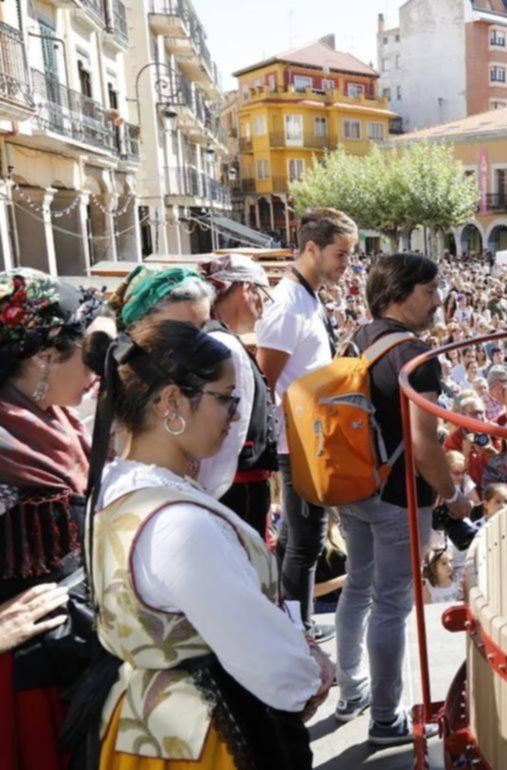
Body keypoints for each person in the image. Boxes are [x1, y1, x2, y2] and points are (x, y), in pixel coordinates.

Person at [91, 320, 331, 770]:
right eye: (227, 399)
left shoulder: (116, 483)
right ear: (171, 402)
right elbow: (264, 655)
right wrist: (311, 671)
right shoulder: (178, 524)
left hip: (143, 725)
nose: (236, 416)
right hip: (204, 739)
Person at [333, 253, 471, 745]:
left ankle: (351, 691)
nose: (438, 301)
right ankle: (385, 720)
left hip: (354, 487)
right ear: (398, 293)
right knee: (390, 605)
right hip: (397, 497)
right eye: (430, 291)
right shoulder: (416, 355)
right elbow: (423, 444)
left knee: (359, 590)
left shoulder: (355, 338)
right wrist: (453, 496)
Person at [0, 268, 102, 770]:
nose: (94, 374)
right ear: (43, 357)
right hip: (19, 683)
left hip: (70, 656)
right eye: (86, 356)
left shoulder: (57, 426)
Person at [257, 207, 357, 643]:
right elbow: (267, 381)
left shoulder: (308, 298)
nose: (346, 265)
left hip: (311, 439)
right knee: (303, 542)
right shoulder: (288, 305)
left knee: (309, 541)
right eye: (340, 254)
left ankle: (295, 623)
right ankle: (293, 629)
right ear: (311, 248)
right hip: (294, 443)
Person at [198, 255, 279, 535]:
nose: (263, 309)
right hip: (235, 487)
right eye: (262, 295)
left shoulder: (216, 338)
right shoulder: (224, 344)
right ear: (247, 290)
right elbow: (229, 427)